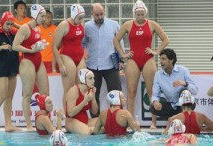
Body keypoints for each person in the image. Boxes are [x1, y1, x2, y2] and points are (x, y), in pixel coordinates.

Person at [113, 0, 169, 128]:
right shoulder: (128, 25)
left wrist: (156, 52)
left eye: (142, 14)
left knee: (151, 92)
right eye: (138, 15)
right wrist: (123, 54)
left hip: (148, 60)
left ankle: (153, 123)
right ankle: (130, 122)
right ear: (135, 14)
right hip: (133, 60)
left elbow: (166, 39)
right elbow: (116, 40)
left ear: (145, 13)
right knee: (131, 92)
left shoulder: (152, 24)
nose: (140, 17)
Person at [82, 3, 124, 117]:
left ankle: (117, 119)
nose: (99, 17)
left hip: (111, 65)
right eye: (96, 15)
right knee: (93, 95)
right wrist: (82, 59)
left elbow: (120, 43)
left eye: (101, 14)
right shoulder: (87, 27)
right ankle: (96, 121)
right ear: (92, 14)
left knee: (116, 94)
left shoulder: (114, 25)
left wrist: (122, 60)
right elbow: (82, 43)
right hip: (92, 66)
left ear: (104, 12)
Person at [12, 4, 49, 131]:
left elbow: (34, 44)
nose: (44, 19)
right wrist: (30, 50)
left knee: (45, 93)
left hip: (38, 60)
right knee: (28, 94)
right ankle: (28, 125)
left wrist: (41, 45)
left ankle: (44, 122)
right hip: (27, 61)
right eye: (42, 16)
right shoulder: (25, 28)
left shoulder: (38, 29)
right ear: (35, 15)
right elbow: (15, 46)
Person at [150, 48, 198, 128]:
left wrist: (184, 83)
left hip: (183, 106)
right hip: (170, 106)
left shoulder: (183, 70)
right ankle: (159, 123)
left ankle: (184, 122)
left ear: (171, 60)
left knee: (184, 91)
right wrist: (155, 102)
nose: (160, 61)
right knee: (152, 107)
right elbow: (155, 94)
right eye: (160, 59)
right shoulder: (158, 75)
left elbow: (195, 91)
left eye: (164, 59)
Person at [0, 11, 21, 132]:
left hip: (12, 67)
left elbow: (25, 30)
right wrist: (0, 48)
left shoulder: (13, 33)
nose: (9, 26)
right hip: (1, 68)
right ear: (2, 22)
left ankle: (8, 124)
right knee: (2, 96)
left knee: (9, 97)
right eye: (7, 24)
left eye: (11, 24)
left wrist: (15, 25)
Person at [52, 4, 86, 110]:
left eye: (82, 18)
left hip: (80, 58)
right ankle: (68, 117)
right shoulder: (63, 25)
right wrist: (60, 65)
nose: (81, 20)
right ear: (73, 15)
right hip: (67, 58)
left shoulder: (81, 23)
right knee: (69, 90)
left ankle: (77, 116)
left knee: (80, 89)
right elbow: (54, 47)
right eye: (79, 18)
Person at [65, 69, 98, 134]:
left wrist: (93, 96)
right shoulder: (74, 91)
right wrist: (85, 101)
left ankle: (94, 130)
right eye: (90, 78)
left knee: (106, 122)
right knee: (87, 132)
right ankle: (94, 130)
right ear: (83, 80)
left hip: (86, 121)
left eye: (93, 78)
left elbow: (94, 112)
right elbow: (70, 113)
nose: (93, 81)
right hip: (71, 122)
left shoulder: (90, 90)